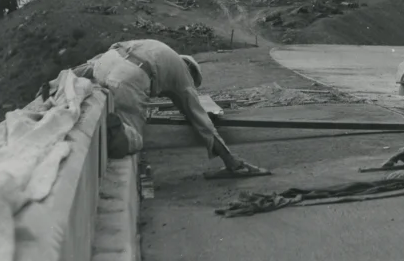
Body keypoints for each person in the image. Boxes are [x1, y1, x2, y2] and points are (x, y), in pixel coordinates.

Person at [73, 38, 266, 174]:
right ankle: (118, 131)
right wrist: (229, 159)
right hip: (129, 78)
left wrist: (73, 74)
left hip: (107, 63)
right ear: (190, 70)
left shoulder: (156, 49)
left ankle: (102, 117)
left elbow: (112, 51)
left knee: (114, 98)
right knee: (135, 138)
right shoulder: (182, 73)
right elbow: (199, 117)